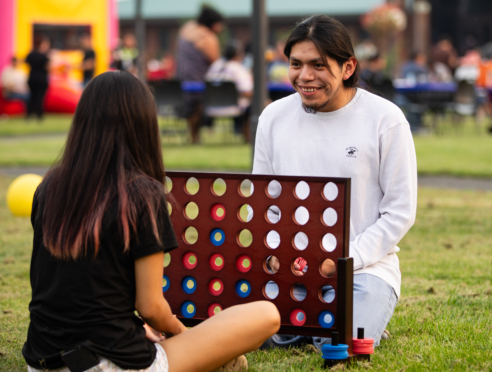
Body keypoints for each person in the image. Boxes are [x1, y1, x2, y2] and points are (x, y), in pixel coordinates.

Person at [22, 71, 280, 372]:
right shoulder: (142, 194)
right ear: (143, 124)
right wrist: (184, 335)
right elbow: (151, 306)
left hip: (43, 366)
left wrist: (134, 325)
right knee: (267, 314)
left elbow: (58, 288)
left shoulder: (50, 187)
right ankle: (209, 359)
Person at [253, 15, 417, 348]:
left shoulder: (386, 119)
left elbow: (400, 211)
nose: (304, 76)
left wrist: (344, 259)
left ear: (347, 67)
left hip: (362, 272)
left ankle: (325, 325)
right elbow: (265, 204)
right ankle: (313, 324)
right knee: (237, 331)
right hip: (290, 272)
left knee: (338, 345)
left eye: (318, 65)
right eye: (296, 64)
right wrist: (272, 252)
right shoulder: (273, 117)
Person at [176, 5, 224, 144]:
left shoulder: (186, 29)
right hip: (198, 81)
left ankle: (193, 136)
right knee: (197, 108)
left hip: (181, 78)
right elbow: (215, 61)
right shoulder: (207, 37)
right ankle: (195, 137)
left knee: (190, 107)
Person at [205, 41, 253, 142]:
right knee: (260, 103)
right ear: (238, 54)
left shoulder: (215, 65)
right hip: (234, 108)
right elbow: (247, 92)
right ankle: (248, 138)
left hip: (211, 108)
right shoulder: (238, 68)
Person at [25, 35, 50, 120]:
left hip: (32, 78)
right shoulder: (44, 56)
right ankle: (39, 114)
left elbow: (26, 62)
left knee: (32, 96)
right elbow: (48, 67)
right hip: (41, 79)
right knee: (40, 97)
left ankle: (29, 113)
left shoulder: (31, 54)